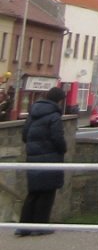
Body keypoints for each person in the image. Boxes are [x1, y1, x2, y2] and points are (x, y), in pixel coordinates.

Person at [17, 86, 67, 236]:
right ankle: (40, 226)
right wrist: (62, 149)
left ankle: (24, 227)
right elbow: (57, 138)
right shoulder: (54, 116)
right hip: (50, 156)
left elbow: (25, 135)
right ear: (59, 100)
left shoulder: (33, 113)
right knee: (47, 193)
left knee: (33, 193)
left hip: (33, 156)